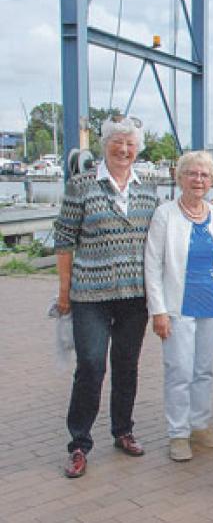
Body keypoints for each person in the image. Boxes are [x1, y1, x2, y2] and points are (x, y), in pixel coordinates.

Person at [54, 115, 159, 478]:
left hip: (134, 296)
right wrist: (64, 291)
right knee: (92, 366)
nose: (125, 149)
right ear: (105, 145)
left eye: (131, 143)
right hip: (90, 296)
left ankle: (123, 430)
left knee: (127, 366)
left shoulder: (148, 189)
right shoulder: (81, 185)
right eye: (118, 142)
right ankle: (79, 443)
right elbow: (64, 240)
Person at [144, 151, 213, 462]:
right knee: (179, 371)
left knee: (203, 370)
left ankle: (199, 424)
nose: (198, 180)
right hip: (178, 305)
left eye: (205, 175)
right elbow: (153, 265)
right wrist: (158, 310)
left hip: (212, 305)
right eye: (192, 174)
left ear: (212, 181)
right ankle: (178, 433)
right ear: (179, 177)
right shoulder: (165, 215)